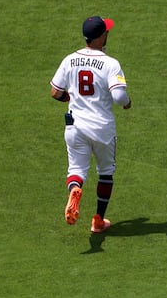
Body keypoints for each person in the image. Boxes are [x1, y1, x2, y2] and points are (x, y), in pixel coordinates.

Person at [49, 15, 130, 233]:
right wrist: (127, 103)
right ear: (101, 36)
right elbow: (119, 97)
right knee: (105, 172)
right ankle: (98, 221)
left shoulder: (69, 59)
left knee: (76, 170)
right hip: (102, 128)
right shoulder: (110, 63)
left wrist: (70, 99)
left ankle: (75, 188)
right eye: (106, 32)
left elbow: (55, 91)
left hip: (75, 126)